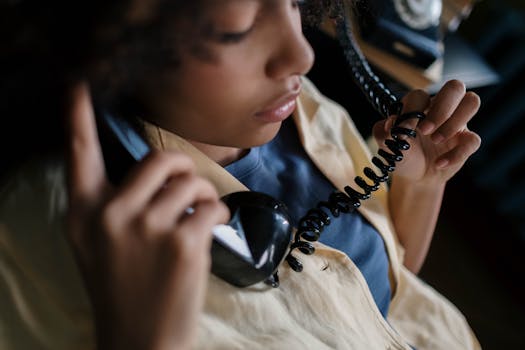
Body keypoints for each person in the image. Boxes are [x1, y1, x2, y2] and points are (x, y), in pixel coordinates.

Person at [0, 0, 482, 349]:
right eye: (237, 28)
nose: (303, 55)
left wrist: (422, 184)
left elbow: (386, 288)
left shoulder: (299, 109)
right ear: (111, 43)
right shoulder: (48, 232)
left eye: (294, 3)